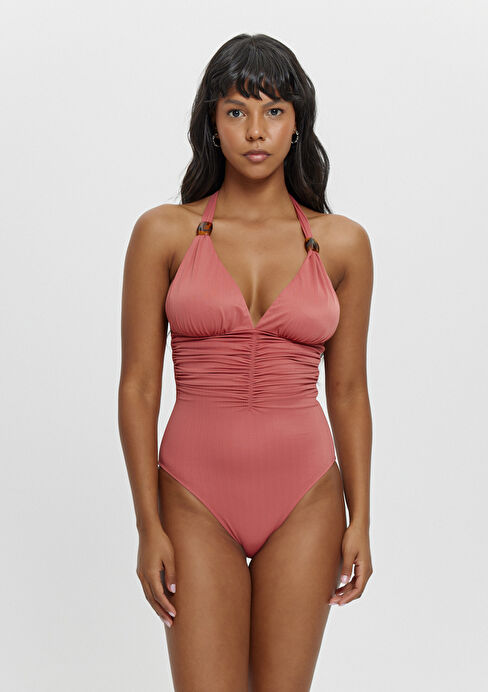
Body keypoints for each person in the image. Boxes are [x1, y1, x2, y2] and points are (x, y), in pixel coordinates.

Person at [118, 33, 373, 692]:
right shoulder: (163, 232)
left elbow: (348, 391)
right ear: (211, 123)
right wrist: (147, 525)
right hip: (193, 497)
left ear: (297, 122)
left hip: (307, 498)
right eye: (236, 111)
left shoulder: (342, 243)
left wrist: (362, 518)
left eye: (273, 110)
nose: (255, 130)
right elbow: (139, 387)